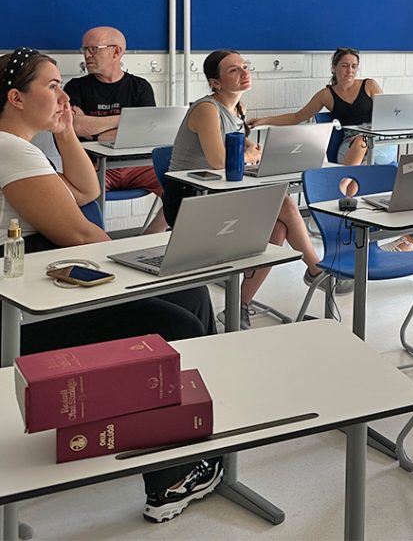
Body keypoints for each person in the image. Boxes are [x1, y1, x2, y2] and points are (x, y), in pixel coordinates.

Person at [0, 47, 221, 523]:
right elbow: (81, 235)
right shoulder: (9, 149)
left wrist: (65, 133)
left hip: (36, 284)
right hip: (19, 310)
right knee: (175, 327)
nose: (64, 97)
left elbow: (86, 191)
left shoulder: (21, 147)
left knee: (192, 294)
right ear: (16, 98)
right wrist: (133, 270)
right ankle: (169, 479)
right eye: (52, 87)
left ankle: (183, 435)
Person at [163, 50, 324, 328]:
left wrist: (250, 148)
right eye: (233, 70)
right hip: (191, 200)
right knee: (284, 202)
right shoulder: (206, 109)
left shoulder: (239, 108)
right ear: (215, 83)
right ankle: (317, 269)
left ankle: (240, 305)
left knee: (278, 229)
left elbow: (237, 141)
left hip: (220, 193)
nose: (244, 73)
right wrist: (250, 155)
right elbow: (218, 160)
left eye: (244, 66)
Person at [64, 26, 168, 234]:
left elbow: (144, 132)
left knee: (180, 189)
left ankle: (147, 239)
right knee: (77, 200)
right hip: (93, 167)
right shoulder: (75, 87)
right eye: (84, 49)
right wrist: (125, 120)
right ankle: (97, 245)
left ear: (116, 51)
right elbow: (75, 126)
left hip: (138, 166)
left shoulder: (140, 87)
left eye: (93, 49)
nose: (87, 55)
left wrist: (93, 132)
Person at [248, 46, 394, 166]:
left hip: (379, 143)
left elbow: (388, 114)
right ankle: (344, 187)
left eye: (354, 66)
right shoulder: (326, 95)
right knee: (361, 144)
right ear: (334, 67)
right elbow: (297, 117)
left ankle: (341, 186)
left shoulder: (369, 85)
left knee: (363, 143)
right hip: (349, 145)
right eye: (344, 66)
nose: (350, 70)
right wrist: (264, 120)